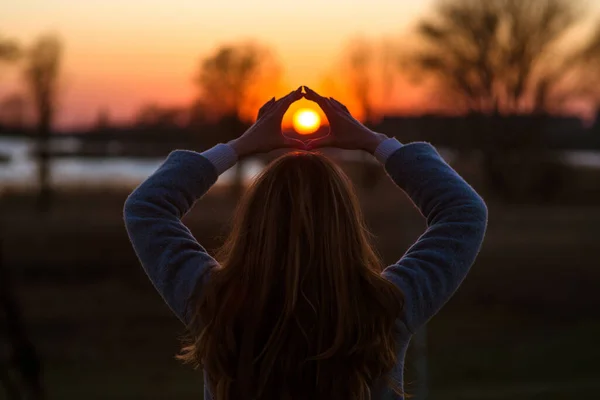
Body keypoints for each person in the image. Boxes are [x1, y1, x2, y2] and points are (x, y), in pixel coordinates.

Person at [124, 86, 488, 399]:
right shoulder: (385, 307)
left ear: (255, 223)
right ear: (346, 223)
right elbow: (463, 212)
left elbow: (148, 207)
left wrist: (240, 145)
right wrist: (372, 142)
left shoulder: (216, 302)